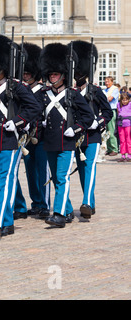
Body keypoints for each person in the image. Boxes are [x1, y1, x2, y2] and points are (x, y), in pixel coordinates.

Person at [0, 34, 42, 241]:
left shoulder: (15, 86)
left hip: (9, 140)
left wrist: (18, 120)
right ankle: (7, 222)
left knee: (3, 182)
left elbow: (34, 107)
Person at [39, 42, 95, 228]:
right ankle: (68, 209)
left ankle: (59, 214)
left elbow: (88, 116)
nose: (52, 77)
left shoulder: (72, 94)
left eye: (55, 74)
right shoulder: (45, 94)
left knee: (62, 177)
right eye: (51, 74)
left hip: (67, 141)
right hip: (50, 141)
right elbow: (37, 113)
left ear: (63, 75)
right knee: (56, 178)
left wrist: (77, 128)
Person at [72, 40, 113, 220]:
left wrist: (99, 121)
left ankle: (87, 202)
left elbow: (107, 111)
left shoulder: (95, 91)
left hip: (93, 135)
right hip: (76, 136)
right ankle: (91, 203)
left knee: (89, 168)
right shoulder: (71, 92)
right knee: (81, 171)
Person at [14, 42, 51, 220]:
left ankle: (45, 204)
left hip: (42, 137)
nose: (26, 76)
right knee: (30, 171)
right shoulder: (22, 91)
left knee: (43, 171)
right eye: (24, 73)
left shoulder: (44, 91)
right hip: (27, 138)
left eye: (28, 73)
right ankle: (36, 202)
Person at [103, 76, 120, 156]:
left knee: (111, 130)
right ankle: (109, 148)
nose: (106, 83)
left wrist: (103, 99)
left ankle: (114, 148)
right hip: (105, 110)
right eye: (105, 81)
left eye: (108, 81)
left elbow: (110, 99)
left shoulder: (115, 89)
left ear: (112, 82)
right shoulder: (105, 90)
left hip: (111, 110)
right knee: (107, 130)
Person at [117, 93, 131, 161]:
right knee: (122, 140)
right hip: (121, 124)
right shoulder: (119, 105)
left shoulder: (130, 104)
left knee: (128, 139)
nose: (125, 101)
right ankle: (123, 154)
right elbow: (118, 113)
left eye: (126, 100)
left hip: (128, 124)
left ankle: (129, 154)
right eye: (123, 100)